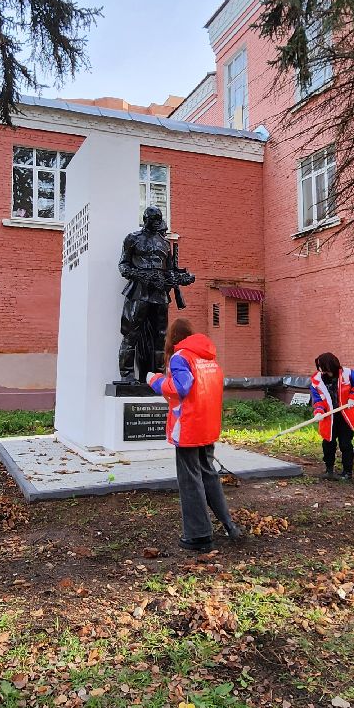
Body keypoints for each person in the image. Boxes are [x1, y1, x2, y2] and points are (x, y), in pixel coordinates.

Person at [147, 318, 243, 550]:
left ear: (173, 338)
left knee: (190, 480)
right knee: (208, 474)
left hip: (188, 427)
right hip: (206, 426)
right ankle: (229, 526)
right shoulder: (207, 358)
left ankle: (199, 536)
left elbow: (181, 387)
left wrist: (156, 381)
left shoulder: (181, 357)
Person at [118, 206, 194, 382]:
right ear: (146, 220)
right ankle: (127, 375)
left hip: (159, 294)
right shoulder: (132, 239)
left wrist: (182, 278)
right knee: (131, 333)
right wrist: (142, 275)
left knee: (161, 335)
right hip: (139, 291)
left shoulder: (164, 243)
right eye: (154, 220)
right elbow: (123, 266)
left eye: (159, 220)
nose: (158, 224)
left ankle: (157, 375)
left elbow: (168, 271)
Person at [310, 352, 354, 479]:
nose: (322, 370)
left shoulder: (348, 374)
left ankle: (347, 472)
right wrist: (319, 411)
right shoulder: (317, 381)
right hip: (329, 417)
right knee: (328, 443)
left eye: (323, 366)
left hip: (346, 416)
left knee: (345, 444)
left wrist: (353, 397)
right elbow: (318, 399)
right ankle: (329, 469)